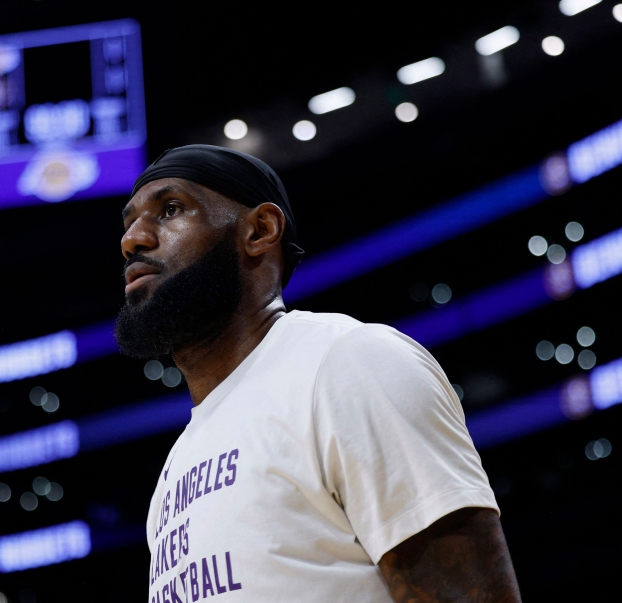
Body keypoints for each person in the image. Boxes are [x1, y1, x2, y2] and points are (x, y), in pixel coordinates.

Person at [116, 145, 521, 603]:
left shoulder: (347, 363)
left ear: (260, 230)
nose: (134, 240)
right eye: (128, 224)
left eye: (170, 210)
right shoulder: (177, 465)